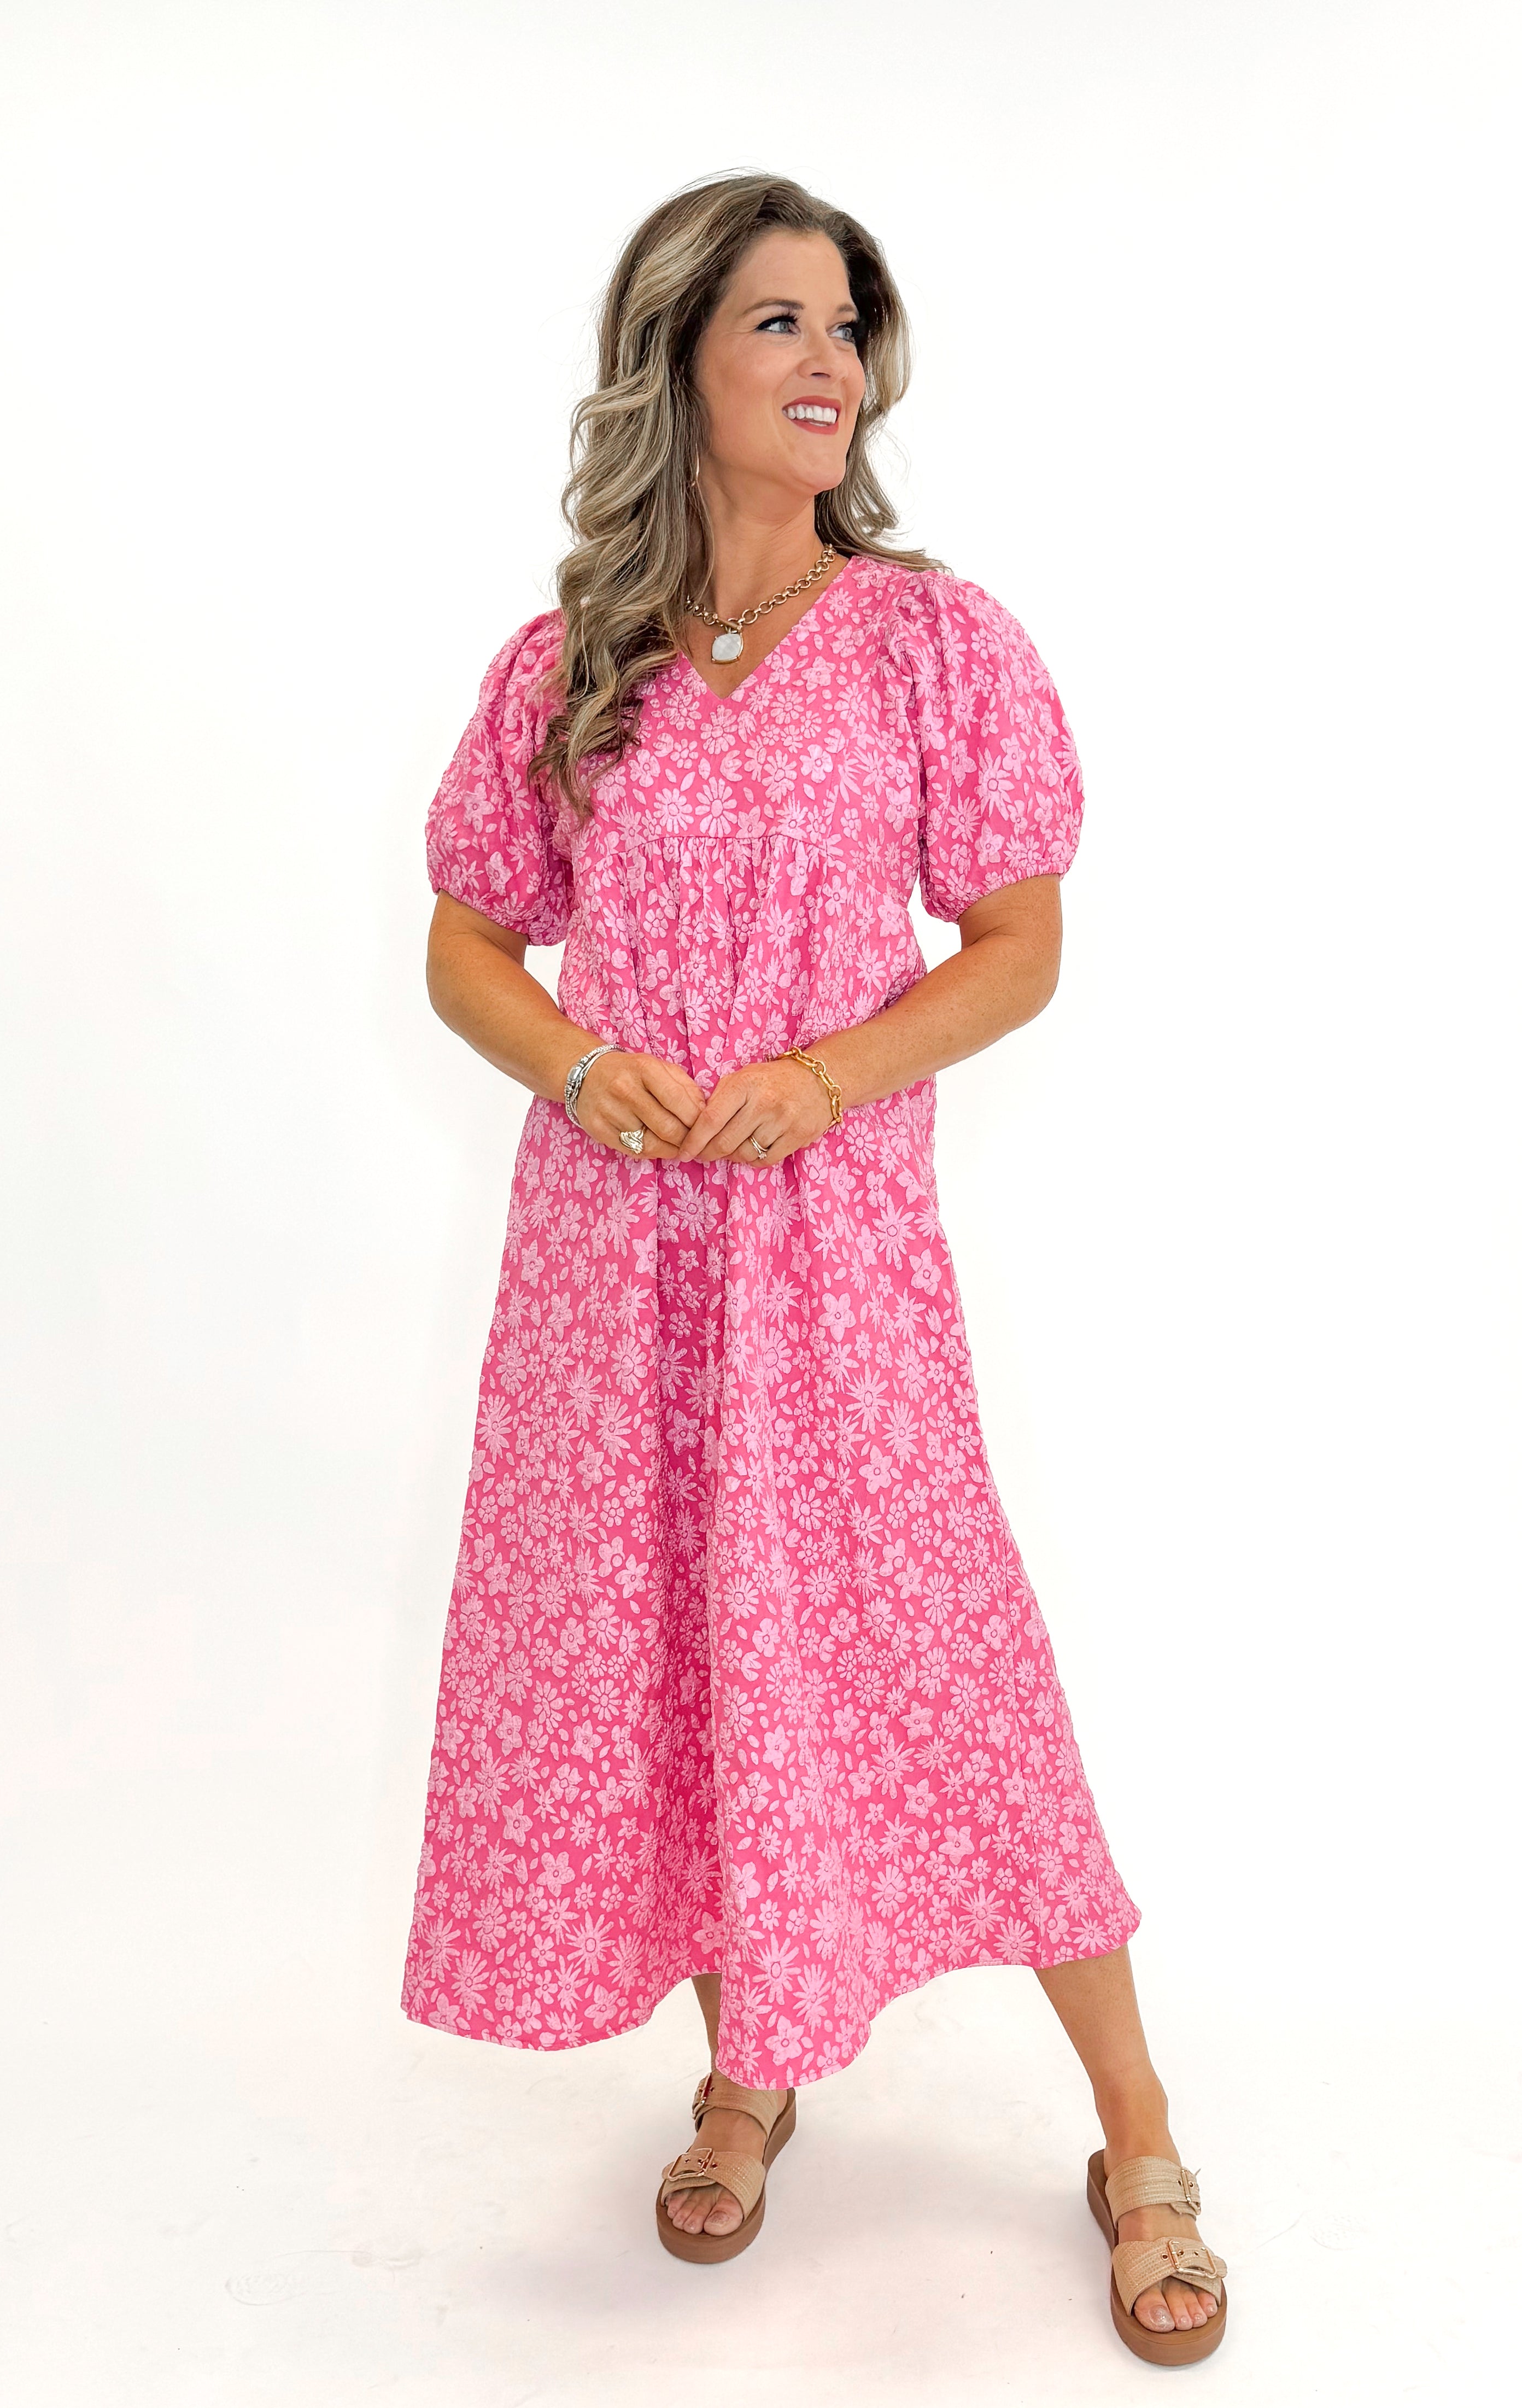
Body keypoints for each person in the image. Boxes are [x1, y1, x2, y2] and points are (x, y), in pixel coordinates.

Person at [400, 172, 1228, 2365]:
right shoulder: (575, 667)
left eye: (846, 321)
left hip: (830, 1247)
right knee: (676, 1648)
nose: (826, 359)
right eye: (775, 319)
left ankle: (1131, 2120)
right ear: (674, 360)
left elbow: (1020, 947)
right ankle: (752, 2058)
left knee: (936, 1646)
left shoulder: (933, 643)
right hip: (611, 1265)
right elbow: (466, 939)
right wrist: (580, 1068)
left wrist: (826, 1073)